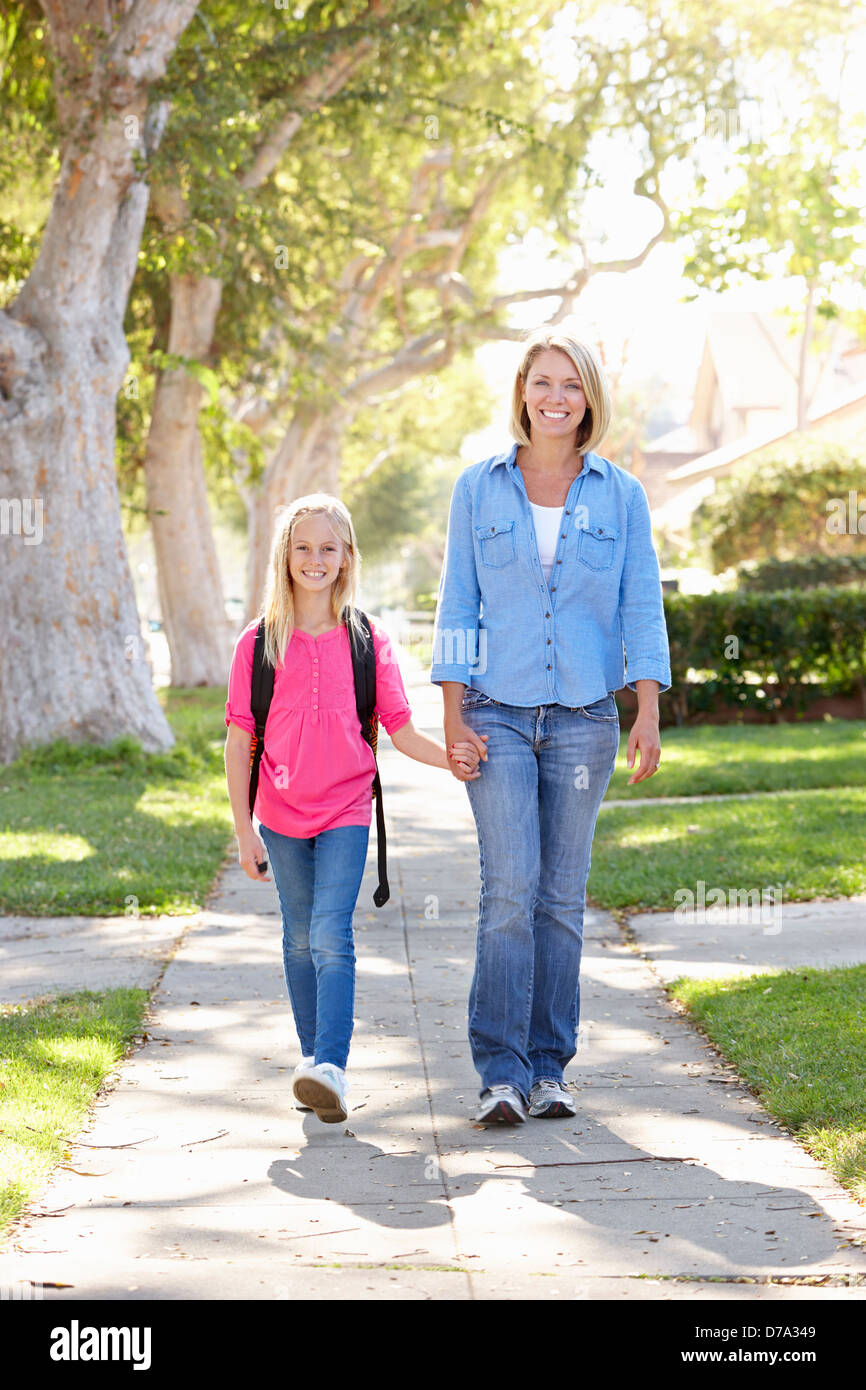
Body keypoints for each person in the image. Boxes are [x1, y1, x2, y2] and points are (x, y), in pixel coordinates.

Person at [430, 328, 672, 1126]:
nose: (556, 397)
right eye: (543, 382)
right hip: (496, 713)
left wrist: (647, 707)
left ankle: (549, 1068)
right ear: (523, 393)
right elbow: (457, 602)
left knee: (562, 899)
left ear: (589, 398)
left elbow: (641, 603)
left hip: (584, 720)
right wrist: (453, 714)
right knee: (509, 891)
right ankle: (499, 1070)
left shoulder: (621, 494)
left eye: (571, 384)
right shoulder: (479, 487)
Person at [224, 493, 481, 1124]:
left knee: (330, 934)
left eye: (328, 549)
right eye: (303, 547)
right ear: (286, 556)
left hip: (345, 809)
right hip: (278, 814)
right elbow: (238, 742)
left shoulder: (369, 642)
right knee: (297, 938)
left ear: (346, 558)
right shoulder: (257, 645)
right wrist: (242, 831)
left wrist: (452, 756)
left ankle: (330, 1066)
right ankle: (315, 1063)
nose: (315, 559)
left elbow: (401, 729)